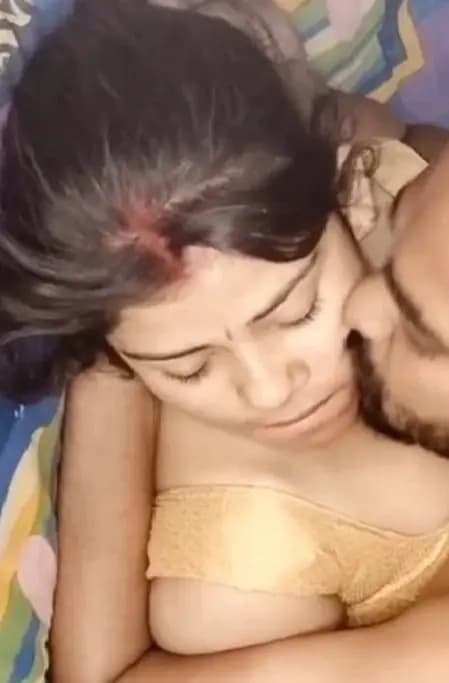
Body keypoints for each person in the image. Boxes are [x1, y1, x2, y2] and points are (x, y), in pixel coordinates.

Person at [1, 1, 448, 681]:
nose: (270, 389)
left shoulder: (379, 177)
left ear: (349, 190)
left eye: (297, 311)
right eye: (187, 367)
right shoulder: (244, 572)